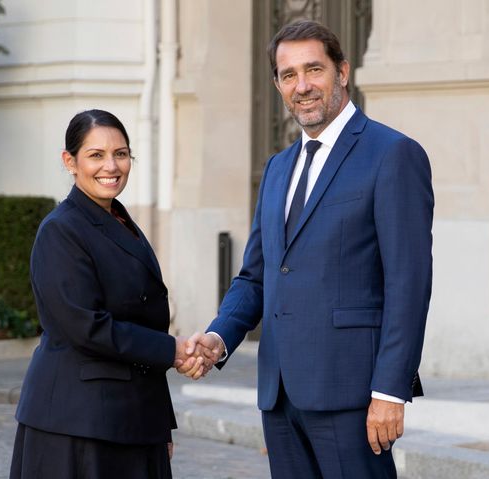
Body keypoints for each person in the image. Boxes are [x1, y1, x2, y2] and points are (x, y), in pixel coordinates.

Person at [181, 20, 434, 478]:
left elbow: (409, 284)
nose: (302, 86)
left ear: (342, 71)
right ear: (278, 84)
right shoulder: (277, 168)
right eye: (288, 75)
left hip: (353, 395)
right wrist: (219, 338)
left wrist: (390, 391)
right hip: (279, 396)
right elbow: (256, 276)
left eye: (313, 69)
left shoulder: (392, 154)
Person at [10, 109, 207, 479]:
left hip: (129, 420)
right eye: (96, 155)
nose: (111, 166)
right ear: (70, 161)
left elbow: (139, 320)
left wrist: (159, 424)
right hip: (78, 426)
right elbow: (87, 327)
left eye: (121, 153)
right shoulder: (61, 230)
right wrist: (174, 350)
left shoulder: (118, 219)